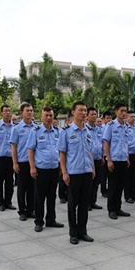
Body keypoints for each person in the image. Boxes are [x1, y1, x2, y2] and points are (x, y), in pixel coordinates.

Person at [58, 101, 95, 245]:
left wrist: (92, 168)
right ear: (73, 112)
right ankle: (73, 233)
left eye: (85, 110)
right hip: (73, 172)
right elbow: (62, 153)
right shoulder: (66, 131)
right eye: (80, 110)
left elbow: (90, 150)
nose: (83, 113)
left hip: (86, 171)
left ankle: (82, 231)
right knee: (72, 205)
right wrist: (64, 173)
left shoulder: (87, 130)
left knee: (84, 204)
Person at [28, 106, 64, 232]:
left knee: (51, 196)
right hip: (41, 169)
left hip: (54, 168)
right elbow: (30, 149)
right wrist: (32, 167)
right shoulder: (35, 131)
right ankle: (39, 221)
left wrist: (60, 166)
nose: (49, 118)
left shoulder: (56, 131)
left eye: (51, 115)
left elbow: (59, 150)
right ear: (41, 117)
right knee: (39, 197)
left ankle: (51, 219)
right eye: (46, 115)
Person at [102, 103, 130, 220]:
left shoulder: (126, 126)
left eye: (125, 111)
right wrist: (109, 159)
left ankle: (118, 207)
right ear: (116, 112)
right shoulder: (111, 125)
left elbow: (126, 144)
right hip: (114, 160)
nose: (124, 113)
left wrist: (128, 158)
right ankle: (112, 209)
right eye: (121, 111)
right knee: (113, 186)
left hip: (123, 160)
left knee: (120, 185)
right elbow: (106, 143)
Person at [10, 103, 37, 220]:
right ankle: (22, 211)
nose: (30, 112)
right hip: (22, 161)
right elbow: (14, 147)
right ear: (22, 112)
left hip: (35, 162)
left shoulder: (36, 127)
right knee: (22, 187)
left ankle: (31, 209)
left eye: (31, 110)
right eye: (27, 110)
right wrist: (15, 163)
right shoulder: (16, 128)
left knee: (32, 188)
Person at [0, 104, 16, 211]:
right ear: (1, 113)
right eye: (5, 111)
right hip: (0, 157)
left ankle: (8, 201)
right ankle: (1, 202)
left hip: (11, 158)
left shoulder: (15, 126)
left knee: (10, 181)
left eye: (9, 111)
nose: (7, 113)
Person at [85, 107, 104, 211]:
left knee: (96, 182)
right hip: (89, 160)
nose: (94, 116)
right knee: (89, 182)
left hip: (98, 158)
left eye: (95, 114)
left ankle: (93, 201)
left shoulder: (99, 129)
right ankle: (87, 203)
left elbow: (101, 143)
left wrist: (102, 157)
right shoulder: (85, 128)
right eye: (92, 114)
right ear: (87, 116)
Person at [125, 110, 135, 204]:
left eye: (134, 116)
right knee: (128, 177)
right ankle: (128, 196)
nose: (133, 118)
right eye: (131, 116)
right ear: (126, 118)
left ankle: (134, 194)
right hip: (129, 155)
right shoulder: (125, 128)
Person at [58, 113, 74, 204]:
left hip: (72, 160)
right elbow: (60, 149)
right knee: (62, 179)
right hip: (63, 158)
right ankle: (62, 196)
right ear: (67, 121)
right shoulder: (63, 131)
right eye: (70, 122)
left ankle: (68, 195)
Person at [100, 111, 112, 197]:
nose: (109, 120)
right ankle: (103, 190)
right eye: (107, 118)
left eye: (110, 118)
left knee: (110, 174)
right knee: (103, 175)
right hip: (103, 154)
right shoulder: (101, 128)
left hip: (110, 155)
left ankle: (109, 190)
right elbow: (102, 142)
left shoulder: (112, 127)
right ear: (103, 119)